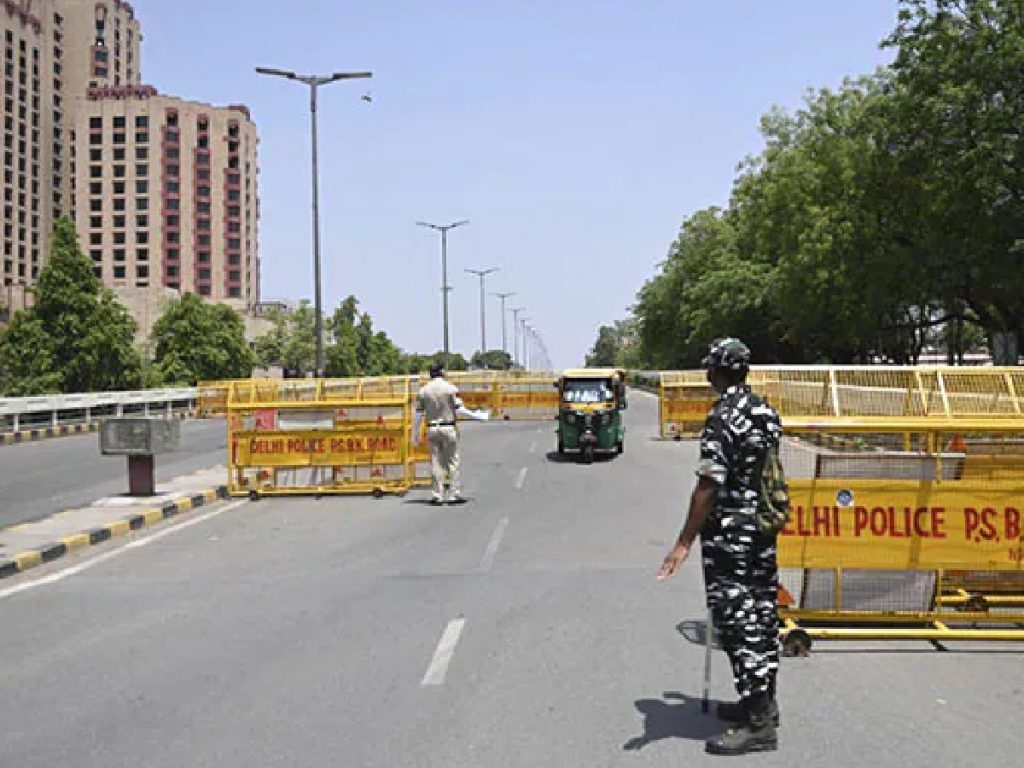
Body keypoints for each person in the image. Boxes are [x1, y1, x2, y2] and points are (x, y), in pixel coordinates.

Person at [657, 338, 782, 756]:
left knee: (736, 621)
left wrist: (683, 542)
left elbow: (709, 484)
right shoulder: (764, 410)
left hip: (731, 535)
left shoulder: (723, 417)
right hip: (761, 529)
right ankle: (762, 704)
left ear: (715, 371)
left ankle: (759, 725)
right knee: (762, 613)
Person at [414, 364, 489, 505]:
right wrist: (478, 416)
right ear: (442, 373)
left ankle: (437, 495)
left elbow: (418, 415)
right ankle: (454, 494)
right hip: (448, 428)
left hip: (432, 429)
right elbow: (459, 409)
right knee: (452, 462)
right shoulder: (450, 389)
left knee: (436, 462)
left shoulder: (423, 391)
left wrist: (415, 435)